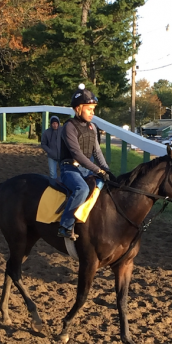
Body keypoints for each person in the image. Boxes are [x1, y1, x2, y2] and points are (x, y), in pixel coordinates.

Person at [57, 83, 115, 240]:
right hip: (69, 169)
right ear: (78, 108)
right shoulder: (69, 127)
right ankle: (65, 225)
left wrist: (106, 169)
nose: (92, 113)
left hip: (86, 169)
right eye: (89, 109)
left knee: (105, 187)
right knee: (81, 189)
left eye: (93, 109)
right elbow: (77, 154)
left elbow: (97, 152)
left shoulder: (92, 127)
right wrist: (98, 170)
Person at [41, 115, 63, 179]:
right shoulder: (46, 132)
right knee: (52, 173)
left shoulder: (63, 131)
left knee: (64, 172)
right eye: (53, 123)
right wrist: (49, 151)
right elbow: (43, 144)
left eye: (56, 123)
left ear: (58, 123)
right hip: (51, 156)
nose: (55, 125)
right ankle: (54, 186)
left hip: (62, 156)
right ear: (51, 124)